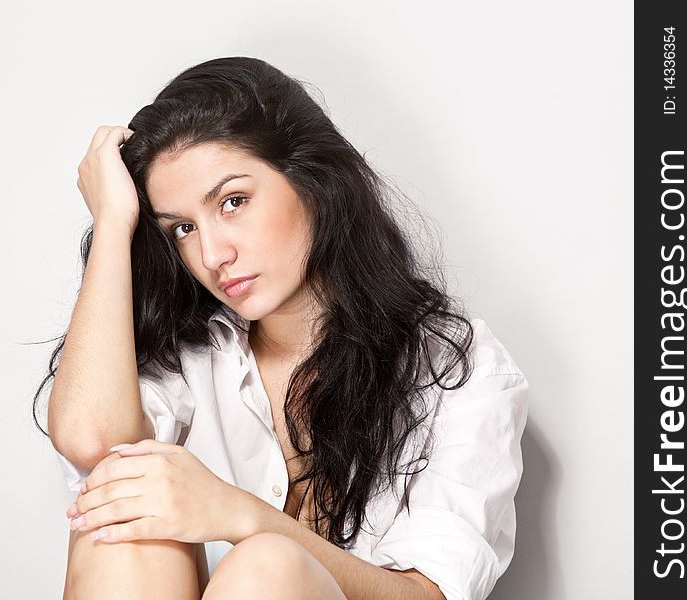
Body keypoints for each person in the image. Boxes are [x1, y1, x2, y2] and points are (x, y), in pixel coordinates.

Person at [34, 57, 529, 600]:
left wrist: (238, 514)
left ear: (311, 180)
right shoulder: (193, 355)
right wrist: (112, 221)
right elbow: (91, 442)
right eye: (182, 229)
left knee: (267, 566)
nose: (212, 255)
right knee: (123, 528)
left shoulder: (453, 365)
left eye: (234, 202)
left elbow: (430, 596)